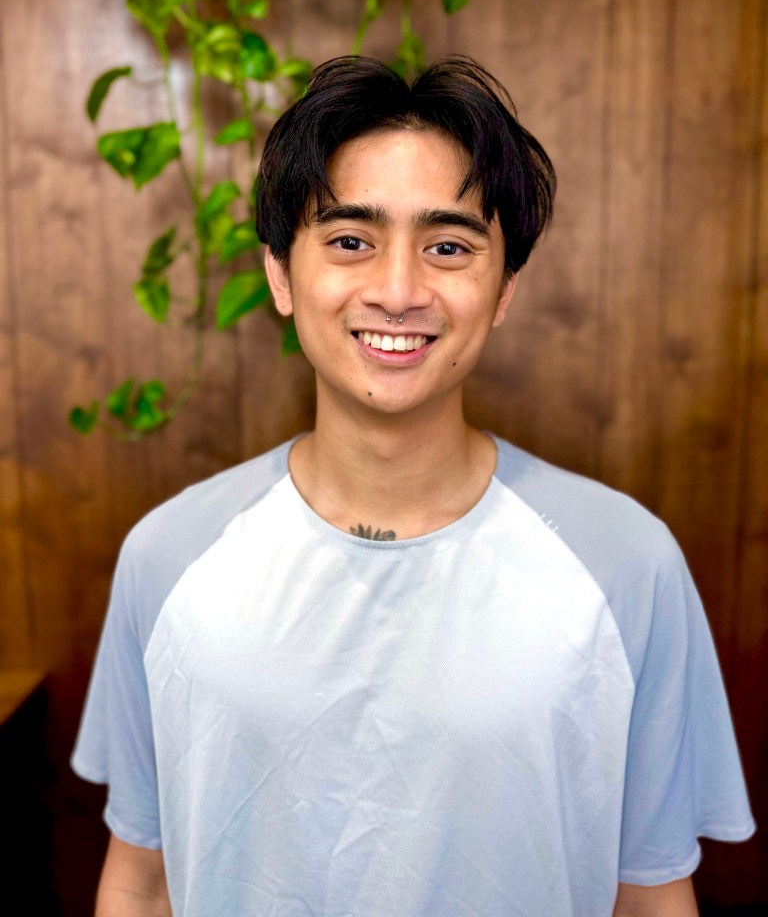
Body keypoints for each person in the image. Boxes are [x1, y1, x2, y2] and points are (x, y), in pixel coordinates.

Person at [72, 56, 755, 917]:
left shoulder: (626, 564)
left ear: (505, 288)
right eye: (351, 240)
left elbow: (651, 894)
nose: (398, 291)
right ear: (281, 274)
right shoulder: (168, 555)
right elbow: (141, 879)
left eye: (448, 247)